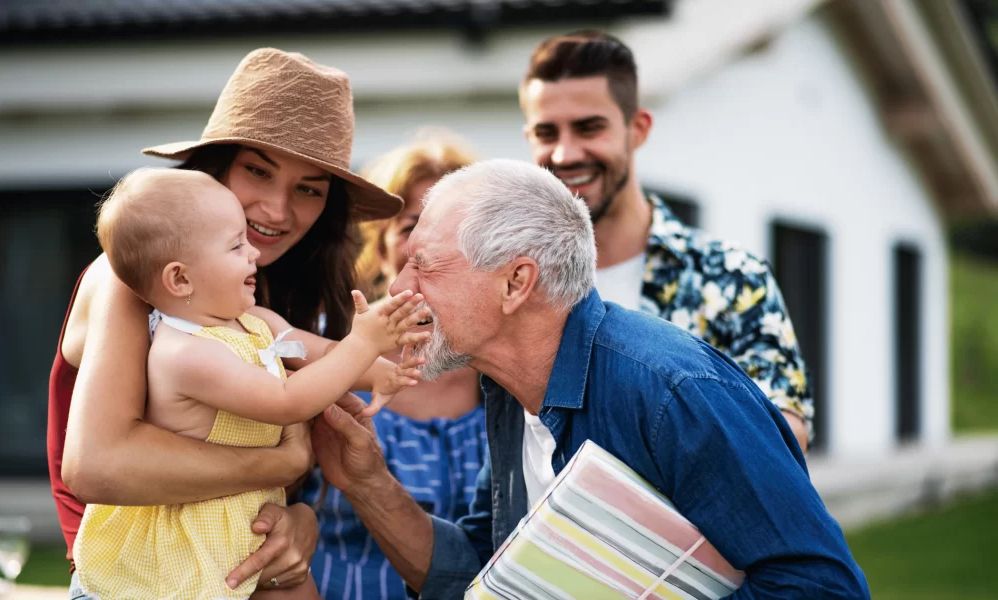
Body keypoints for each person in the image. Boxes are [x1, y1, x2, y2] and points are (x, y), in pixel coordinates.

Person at [310, 159, 871, 599]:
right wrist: (367, 483)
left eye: (424, 265)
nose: (399, 288)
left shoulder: (673, 394)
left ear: (515, 284)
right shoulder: (506, 389)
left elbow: (823, 587)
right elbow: (485, 570)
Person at [48, 48, 400, 596]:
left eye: (309, 189)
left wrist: (299, 522)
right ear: (215, 166)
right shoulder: (136, 281)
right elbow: (97, 465)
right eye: (257, 170)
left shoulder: (259, 290)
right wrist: (282, 462)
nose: (278, 211)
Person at [71, 168, 428, 600]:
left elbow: (320, 353)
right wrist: (363, 341)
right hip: (196, 528)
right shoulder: (183, 353)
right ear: (180, 279)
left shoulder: (252, 320)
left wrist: (380, 371)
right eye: (236, 244)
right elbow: (287, 400)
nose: (253, 252)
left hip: (246, 511)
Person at [519, 31, 813, 451]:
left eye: (589, 128)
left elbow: (783, 439)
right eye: (547, 133)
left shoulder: (732, 279)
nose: (565, 154)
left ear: (637, 129)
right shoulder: (512, 283)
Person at [300, 132, 487, 599]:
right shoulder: (325, 355)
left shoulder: (505, 376)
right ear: (381, 250)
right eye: (412, 228)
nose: (435, 245)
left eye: (456, 229)